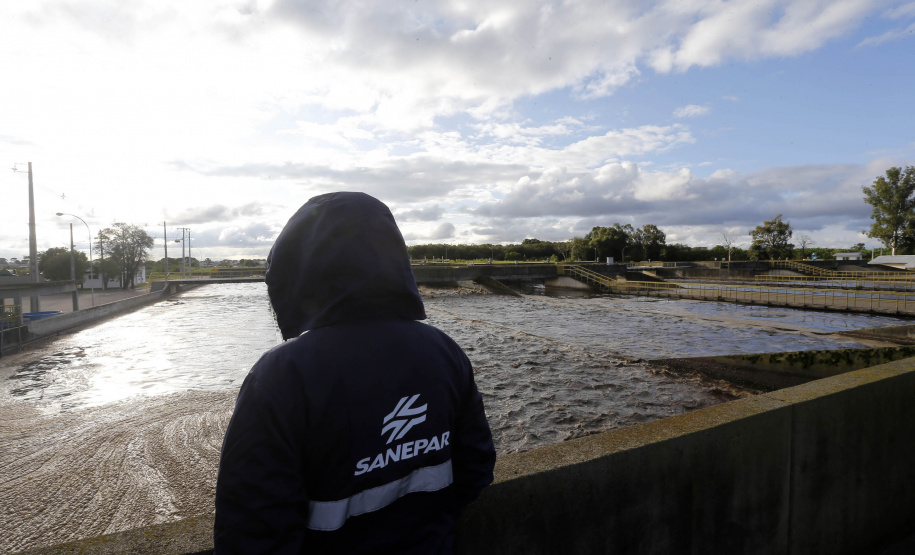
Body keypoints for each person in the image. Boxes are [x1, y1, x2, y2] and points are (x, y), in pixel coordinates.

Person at [214, 192, 496, 554]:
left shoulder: (282, 376)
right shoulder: (443, 351)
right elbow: (476, 468)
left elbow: (251, 532)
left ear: (300, 272)